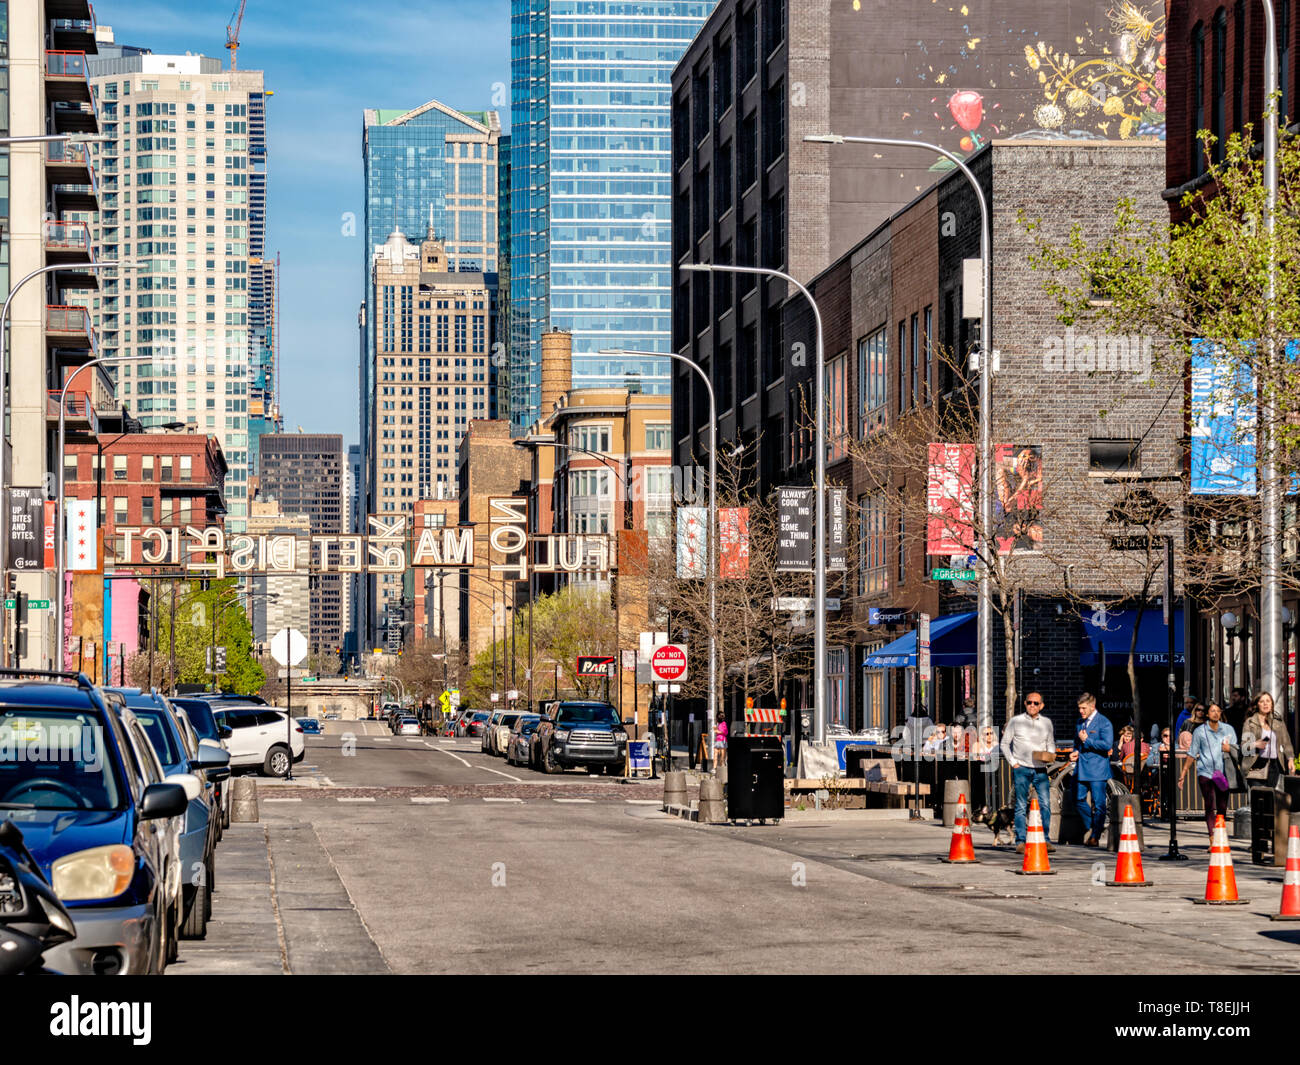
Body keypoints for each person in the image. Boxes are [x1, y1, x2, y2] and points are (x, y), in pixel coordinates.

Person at [1000, 691, 1057, 853]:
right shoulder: (1016, 721)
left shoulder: (1046, 723)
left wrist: (1049, 754)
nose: (1032, 705)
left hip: (1040, 769)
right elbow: (1004, 744)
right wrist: (1014, 763)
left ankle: (1045, 839)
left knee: (1045, 804)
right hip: (1022, 769)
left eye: (1036, 703)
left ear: (1042, 706)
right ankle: (1021, 841)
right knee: (1019, 805)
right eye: (1029, 702)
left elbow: (1051, 743)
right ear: (1025, 703)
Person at [1180, 702, 1239, 839]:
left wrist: (1229, 748)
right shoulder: (1199, 731)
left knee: (1222, 806)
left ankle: (1220, 833)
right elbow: (1192, 753)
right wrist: (1183, 773)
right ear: (1207, 714)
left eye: (1218, 711)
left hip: (1223, 773)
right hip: (1205, 772)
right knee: (1209, 804)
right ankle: (1212, 836)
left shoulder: (1228, 729)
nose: (1216, 713)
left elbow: (1236, 748)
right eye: (1212, 711)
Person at [1070, 692, 1113, 846]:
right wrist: (1074, 752)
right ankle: (1096, 826)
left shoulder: (1104, 723)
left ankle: (1094, 835)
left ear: (1092, 706)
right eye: (1079, 708)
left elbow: (1107, 745)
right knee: (1078, 798)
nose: (1081, 711)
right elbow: (1077, 742)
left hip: (1098, 768)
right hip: (1081, 767)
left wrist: (1087, 740)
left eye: (1083, 708)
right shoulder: (1079, 722)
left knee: (1099, 803)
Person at [1241, 690, 1293, 791]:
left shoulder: (1278, 722)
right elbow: (1244, 746)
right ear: (1257, 705)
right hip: (1255, 765)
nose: (1265, 704)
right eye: (1262, 701)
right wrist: (1255, 744)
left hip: (1273, 766)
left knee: (1269, 798)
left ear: (1272, 704)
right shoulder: (1250, 722)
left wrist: (1290, 759)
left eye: (1268, 701)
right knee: (1259, 797)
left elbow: (1287, 743)